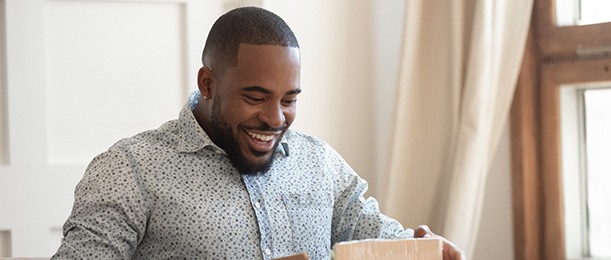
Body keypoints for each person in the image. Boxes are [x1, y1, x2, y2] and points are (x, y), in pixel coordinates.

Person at [52, 6, 464, 260]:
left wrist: (418, 248)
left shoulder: (321, 165)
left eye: (289, 99)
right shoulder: (130, 170)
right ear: (208, 84)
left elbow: (376, 234)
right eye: (256, 97)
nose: (275, 118)